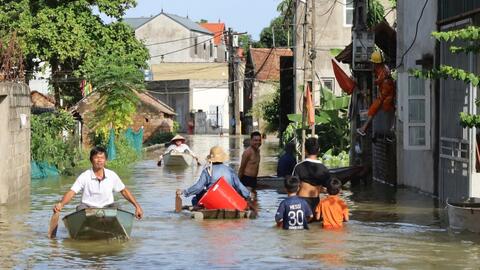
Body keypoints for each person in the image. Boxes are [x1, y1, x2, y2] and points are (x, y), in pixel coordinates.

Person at [53, 146, 143, 219]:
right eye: (96, 157)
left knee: (118, 207)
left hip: (108, 208)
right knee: (80, 209)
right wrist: (61, 204)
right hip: (88, 208)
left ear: (105, 160)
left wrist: (137, 206)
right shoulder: (85, 176)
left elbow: (124, 191)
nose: (99, 160)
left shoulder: (112, 175)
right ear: (91, 160)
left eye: (102, 158)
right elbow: (72, 192)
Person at [176, 146, 252, 205]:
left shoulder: (207, 171)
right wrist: (248, 196)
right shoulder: (230, 170)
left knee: (195, 199)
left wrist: (184, 192)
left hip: (212, 200)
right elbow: (239, 186)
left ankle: (199, 208)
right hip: (228, 199)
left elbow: (198, 187)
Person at [357, 51, 396, 136]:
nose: (372, 65)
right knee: (385, 111)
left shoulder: (383, 74)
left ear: (376, 64)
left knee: (374, 109)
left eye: (373, 63)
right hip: (387, 95)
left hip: (387, 96)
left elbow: (383, 88)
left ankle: (364, 128)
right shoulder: (382, 69)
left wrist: (376, 83)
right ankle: (390, 132)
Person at [292, 137, 331, 217]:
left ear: (305, 150)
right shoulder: (324, 169)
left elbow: (292, 187)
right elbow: (330, 189)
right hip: (316, 205)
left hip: (301, 203)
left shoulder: (298, 167)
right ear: (318, 150)